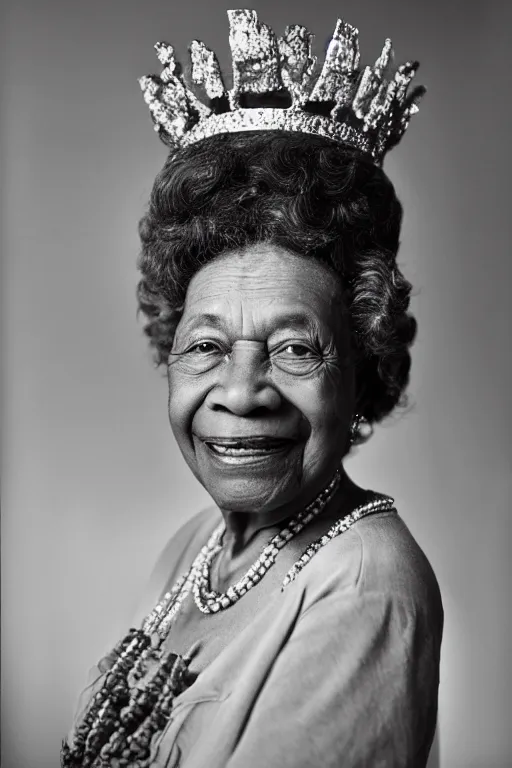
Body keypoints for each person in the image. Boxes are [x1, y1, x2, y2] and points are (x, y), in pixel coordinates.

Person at [62, 10, 443, 768]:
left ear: (361, 370)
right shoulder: (190, 551)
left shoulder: (363, 586)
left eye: (295, 349)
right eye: (206, 346)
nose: (242, 392)